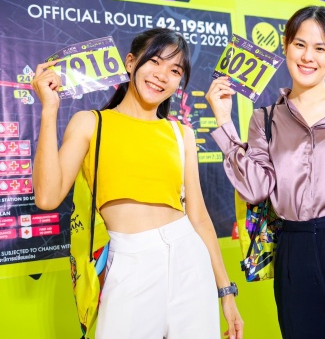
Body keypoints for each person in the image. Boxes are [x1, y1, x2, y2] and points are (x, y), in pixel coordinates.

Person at [32, 28, 243, 339]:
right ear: (130, 63)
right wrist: (49, 109)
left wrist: (226, 293)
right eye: (154, 61)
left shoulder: (181, 134)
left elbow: (199, 217)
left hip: (190, 261)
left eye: (175, 70)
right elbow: (47, 197)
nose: (162, 75)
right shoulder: (91, 123)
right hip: (129, 261)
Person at [207, 6, 325, 338]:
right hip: (294, 253)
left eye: (320, 48)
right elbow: (255, 189)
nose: (308, 56)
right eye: (299, 44)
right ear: (286, 46)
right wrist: (224, 122)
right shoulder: (265, 119)